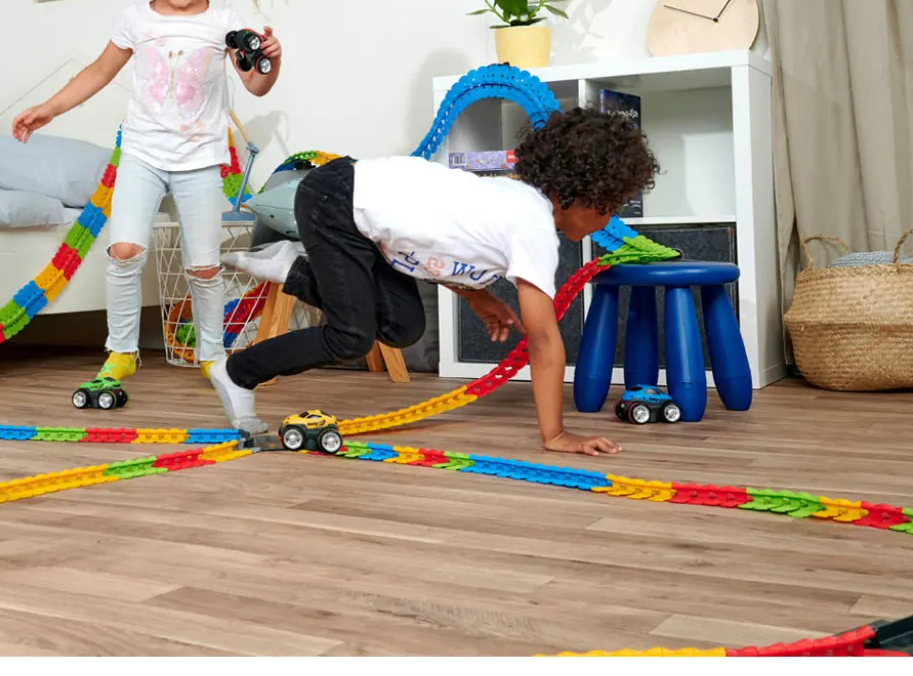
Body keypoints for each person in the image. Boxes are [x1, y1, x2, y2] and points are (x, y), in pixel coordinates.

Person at [216, 107, 660, 455]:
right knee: (350, 336)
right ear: (576, 196)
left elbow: (443, 247)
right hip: (337, 200)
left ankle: (292, 269)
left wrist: (478, 297)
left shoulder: (516, 201)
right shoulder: (534, 227)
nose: (609, 220)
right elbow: (543, 340)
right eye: (608, 207)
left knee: (402, 327)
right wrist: (556, 434)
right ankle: (237, 372)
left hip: (360, 211)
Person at [13, 0, 286, 391]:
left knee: (203, 267)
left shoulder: (224, 23)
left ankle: (212, 356)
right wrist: (49, 108)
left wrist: (272, 60)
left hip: (200, 159)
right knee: (123, 250)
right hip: (142, 154)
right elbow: (98, 72)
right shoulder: (137, 19)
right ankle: (121, 352)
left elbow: (256, 85)